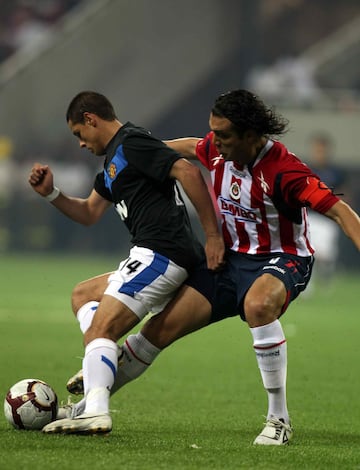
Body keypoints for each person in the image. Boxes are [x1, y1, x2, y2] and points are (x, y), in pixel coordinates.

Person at [57, 89, 360, 445]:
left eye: (224, 135)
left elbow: (340, 211)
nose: (215, 141)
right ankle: (92, 401)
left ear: (251, 136)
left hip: (282, 258)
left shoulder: (285, 171)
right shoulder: (217, 150)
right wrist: (136, 151)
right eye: (213, 132)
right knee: (156, 333)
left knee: (258, 304)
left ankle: (279, 419)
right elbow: (186, 146)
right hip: (229, 262)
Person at [28, 90, 225, 434]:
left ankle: (95, 408)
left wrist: (212, 235)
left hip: (162, 253)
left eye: (79, 134)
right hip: (150, 254)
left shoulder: (133, 142)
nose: (80, 143)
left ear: (91, 119)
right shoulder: (112, 163)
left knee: (100, 330)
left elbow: (188, 173)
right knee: (82, 296)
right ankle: (105, 362)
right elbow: (89, 212)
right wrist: (52, 194)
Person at [306, 133, 346, 286]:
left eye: (322, 149)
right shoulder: (306, 170)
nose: (319, 153)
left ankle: (326, 279)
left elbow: (344, 195)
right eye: (316, 149)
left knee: (326, 256)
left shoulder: (336, 172)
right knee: (308, 253)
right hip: (309, 217)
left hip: (327, 219)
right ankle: (306, 286)